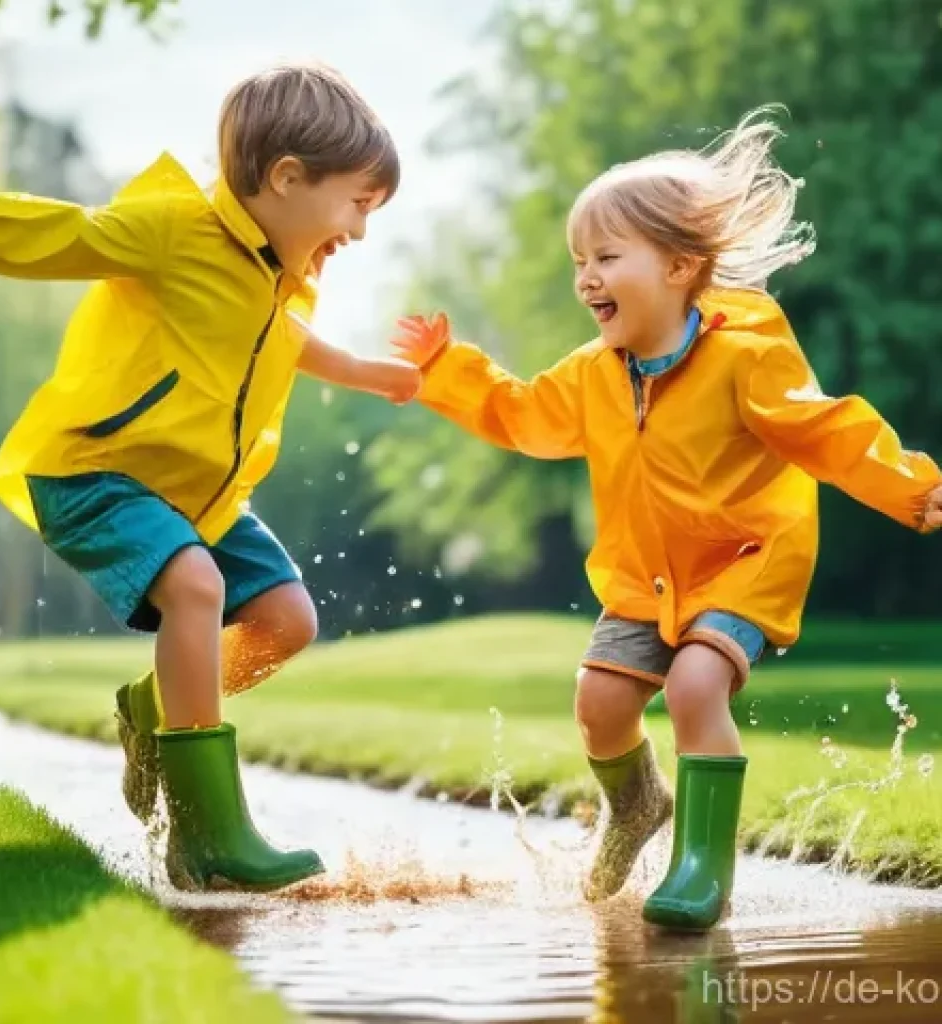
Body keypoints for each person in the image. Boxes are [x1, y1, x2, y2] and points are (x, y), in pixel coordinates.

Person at [390, 106, 942, 930]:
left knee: (693, 685)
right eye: (579, 260)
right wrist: (448, 371)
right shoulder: (592, 374)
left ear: (683, 266)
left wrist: (908, 486)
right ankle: (638, 806)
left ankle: (700, 868)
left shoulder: (746, 358)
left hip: (745, 558)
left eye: (607, 257)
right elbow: (523, 414)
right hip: (647, 574)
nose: (586, 277)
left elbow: (824, 429)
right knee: (598, 706)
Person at [0, 62, 421, 893]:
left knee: (288, 619)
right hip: (96, 470)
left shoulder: (278, 275)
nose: (360, 231)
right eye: (357, 204)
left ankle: (153, 716)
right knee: (194, 586)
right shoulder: (173, 230)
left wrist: (371, 372)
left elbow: (285, 340)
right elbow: (54, 233)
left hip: (198, 494)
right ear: (288, 178)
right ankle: (207, 834)